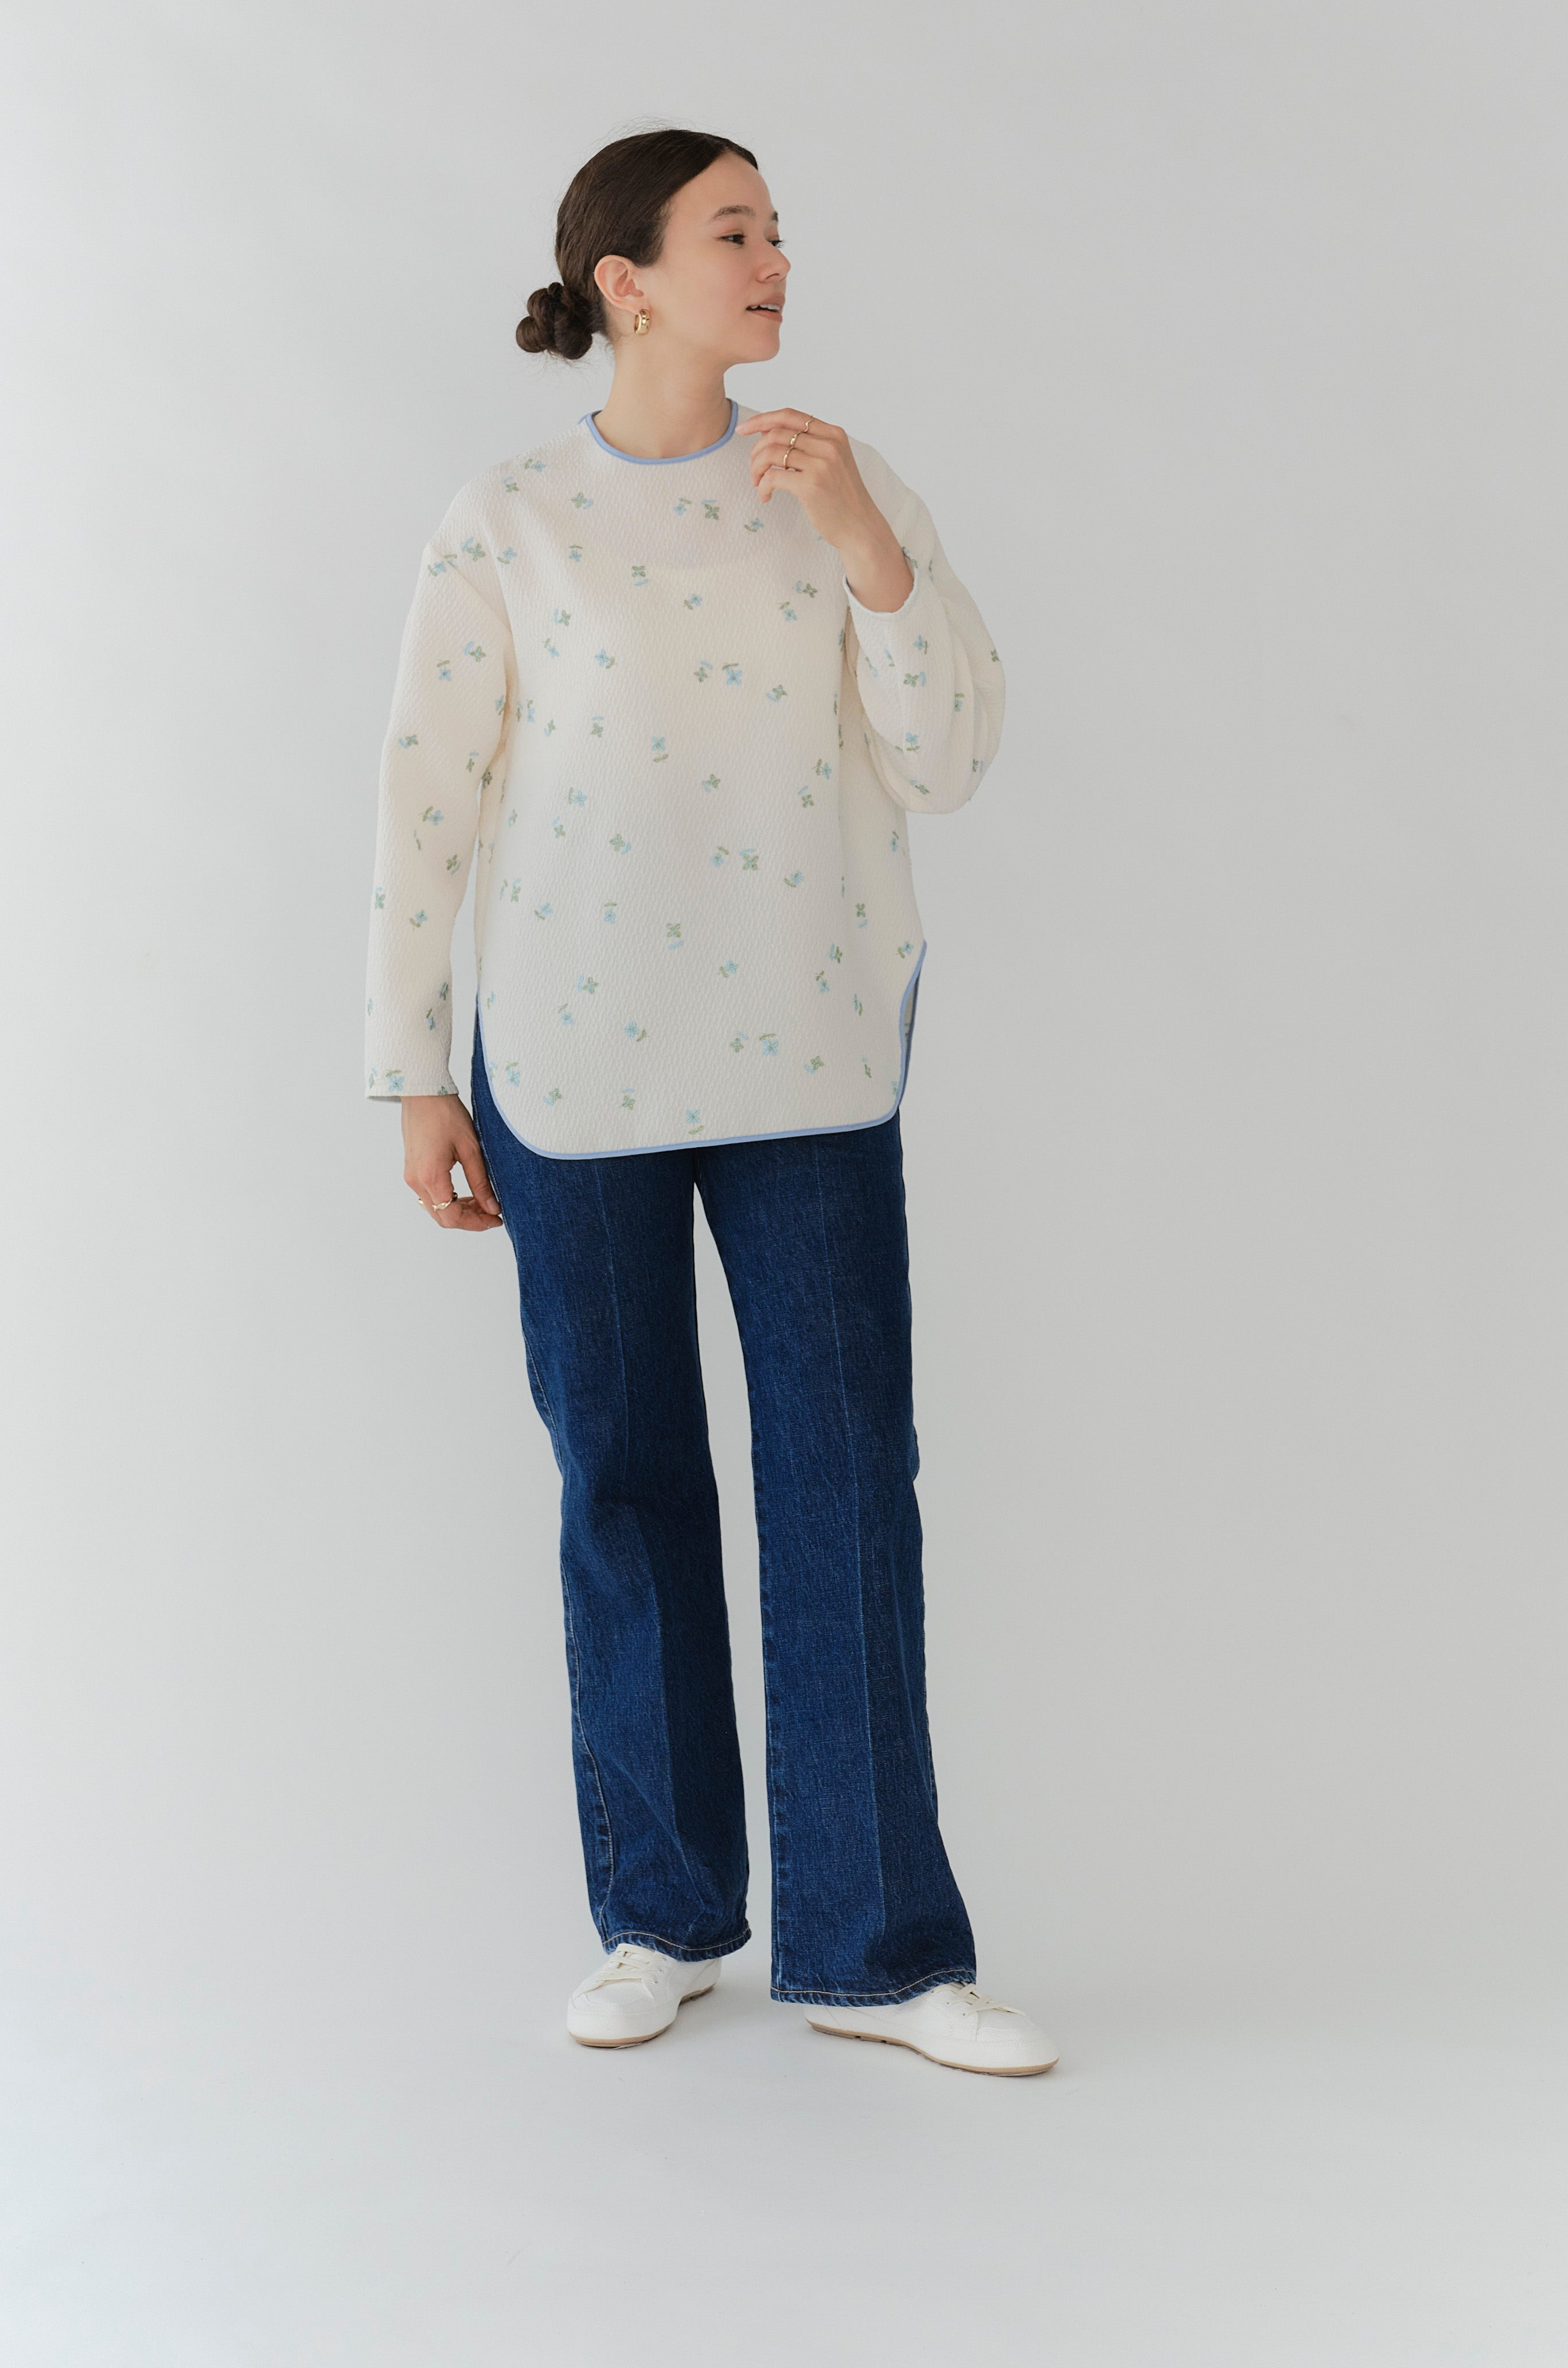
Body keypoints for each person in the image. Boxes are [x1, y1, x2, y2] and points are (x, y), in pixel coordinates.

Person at [362, 128, 1056, 2078]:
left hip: (807, 1053)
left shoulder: (835, 480)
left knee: (846, 1484)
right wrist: (411, 1068)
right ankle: (660, 1917)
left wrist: (868, 549)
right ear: (628, 280)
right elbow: (425, 797)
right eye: (734, 231)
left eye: (778, 231)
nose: (774, 260)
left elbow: (949, 755)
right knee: (625, 1483)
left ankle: (878, 1950)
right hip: (568, 1065)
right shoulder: (509, 517)